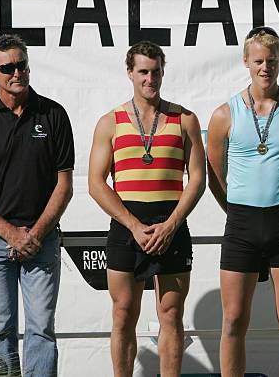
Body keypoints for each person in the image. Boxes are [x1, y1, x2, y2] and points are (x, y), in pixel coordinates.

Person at [0, 34, 74, 376]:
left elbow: (63, 187)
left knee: (41, 331)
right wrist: (11, 234)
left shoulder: (53, 115)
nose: (16, 72)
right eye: (7, 67)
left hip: (42, 240)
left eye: (21, 64)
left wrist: (33, 234)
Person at [88, 41, 206, 377]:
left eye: (155, 72)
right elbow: (96, 184)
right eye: (143, 71)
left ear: (163, 72)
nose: (149, 79)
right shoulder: (109, 122)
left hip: (172, 222)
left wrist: (171, 224)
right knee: (123, 312)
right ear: (130, 73)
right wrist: (133, 225)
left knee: (170, 313)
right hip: (128, 226)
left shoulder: (184, 119)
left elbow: (197, 179)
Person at [207, 26, 279, 377]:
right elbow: (214, 175)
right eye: (258, 61)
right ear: (246, 62)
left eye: (271, 61)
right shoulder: (224, 115)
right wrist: (236, 210)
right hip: (240, 223)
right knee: (234, 319)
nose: (265, 67)